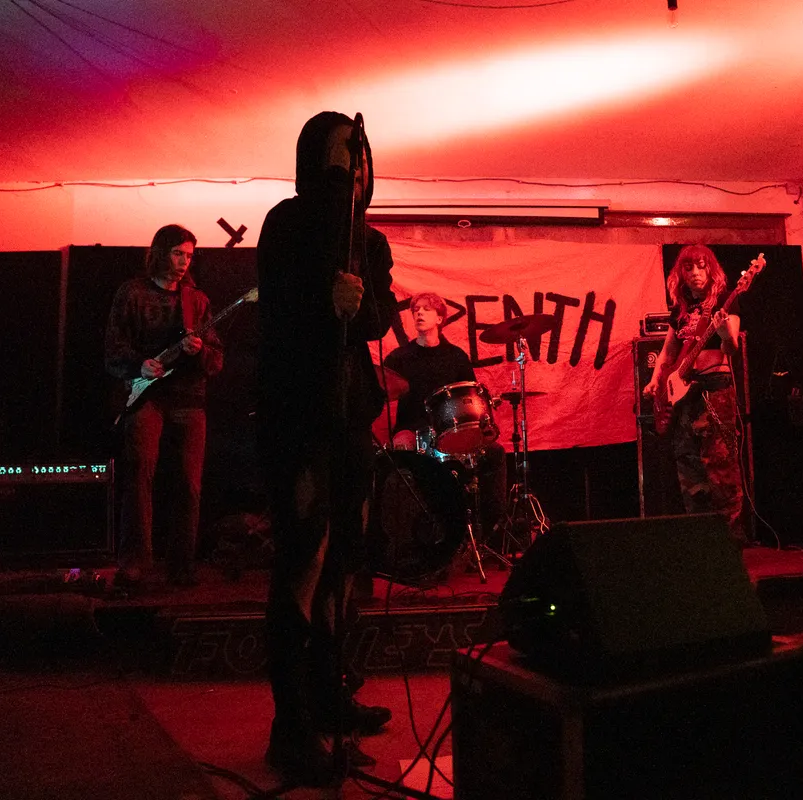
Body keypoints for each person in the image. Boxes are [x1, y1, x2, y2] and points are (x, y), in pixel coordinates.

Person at [255, 111, 395, 787]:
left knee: (346, 556)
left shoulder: (370, 239)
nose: (353, 169)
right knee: (304, 558)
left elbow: (376, 320)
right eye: (341, 157)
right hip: (299, 413)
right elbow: (284, 306)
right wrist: (326, 295)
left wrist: (358, 302)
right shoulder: (287, 222)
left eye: (358, 158)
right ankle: (292, 725)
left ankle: (330, 694)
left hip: (349, 414)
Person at [104, 224, 224, 588]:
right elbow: (113, 348)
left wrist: (199, 351)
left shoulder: (196, 301)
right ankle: (135, 565)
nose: (184, 262)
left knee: (189, 484)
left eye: (189, 255)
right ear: (160, 252)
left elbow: (217, 360)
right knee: (139, 475)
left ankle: (182, 566)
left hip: (189, 399)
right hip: (146, 398)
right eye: (178, 253)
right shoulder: (133, 293)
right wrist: (139, 365)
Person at [382, 292, 508, 540]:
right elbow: (382, 397)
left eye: (426, 309)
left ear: (440, 318)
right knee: (401, 461)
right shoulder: (398, 358)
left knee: (495, 453)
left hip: (451, 433)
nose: (419, 313)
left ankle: (492, 530)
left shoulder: (456, 357)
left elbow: (471, 401)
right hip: (412, 431)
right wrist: (396, 435)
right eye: (416, 309)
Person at [643, 244, 746, 544]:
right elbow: (667, 352)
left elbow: (731, 348)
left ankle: (729, 540)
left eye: (701, 266)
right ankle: (700, 538)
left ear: (711, 270)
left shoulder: (725, 302)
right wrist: (654, 380)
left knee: (720, 463)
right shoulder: (681, 311)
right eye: (689, 268)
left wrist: (725, 334)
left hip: (714, 388)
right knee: (688, 463)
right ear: (681, 274)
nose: (695, 273)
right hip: (683, 395)